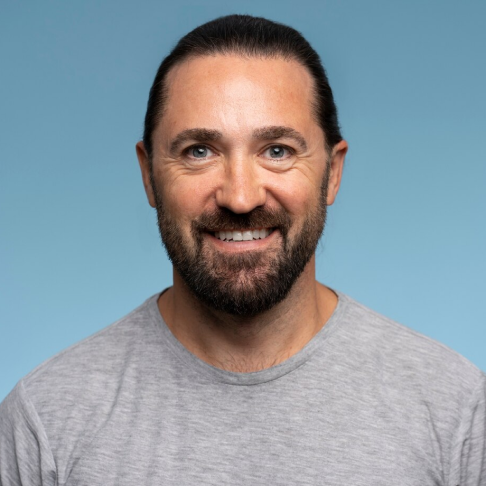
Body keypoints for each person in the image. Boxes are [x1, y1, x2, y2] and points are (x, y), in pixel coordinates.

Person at [0, 14, 485, 485]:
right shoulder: (45, 423)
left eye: (277, 151)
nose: (240, 196)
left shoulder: (457, 414)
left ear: (333, 172)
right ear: (149, 175)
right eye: (199, 151)